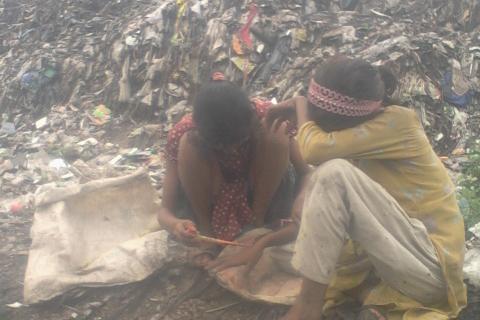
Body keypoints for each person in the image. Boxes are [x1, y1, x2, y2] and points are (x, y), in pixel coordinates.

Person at [210, 57, 467, 320]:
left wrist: (299, 104)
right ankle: (368, 304)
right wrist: (264, 242)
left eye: (318, 118)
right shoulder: (355, 138)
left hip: (431, 268)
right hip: (394, 265)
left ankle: (307, 307)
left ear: (340, 117)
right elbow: (320, 230)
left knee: (332, 173)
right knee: (282, 252)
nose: (313, 125)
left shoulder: (399, 123)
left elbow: (314, 149)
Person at [157, 75, 310, 263]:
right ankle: (206, 232)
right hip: (210, 199)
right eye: (222, 146)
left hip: (262, 195)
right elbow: (164, 212)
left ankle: (258, 224)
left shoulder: (264, 114)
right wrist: (176, 225)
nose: (232, 150)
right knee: (188, 143)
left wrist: (301, 200)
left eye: (239, 142)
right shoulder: (185, 131)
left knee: (276, 130)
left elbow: (307, 173)